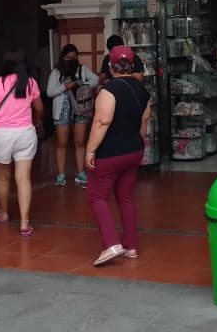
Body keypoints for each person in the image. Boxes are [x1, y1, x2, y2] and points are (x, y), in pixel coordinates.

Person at [84, 45, 151, 266]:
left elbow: (101, 122)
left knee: (96, 196)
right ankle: (131, 245)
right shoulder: (142, 90)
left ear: (111, 66)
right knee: (126, 197)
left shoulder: (109, 91)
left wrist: (90, 150)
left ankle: (111, 243)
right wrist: (136, 139)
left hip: (111, 152)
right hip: (134, 149)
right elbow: (144, 121)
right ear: (131, 65)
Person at [0, 61, 43, 234]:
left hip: (2, 134)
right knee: (23, 178)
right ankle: (25, 223)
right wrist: (36, 119)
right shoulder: (31, 82)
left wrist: (1, 120)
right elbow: (39, 108)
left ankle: (3, 213)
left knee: (3, 178)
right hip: (25, 133)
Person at [46, 44, 99, 187]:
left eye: (74, 58)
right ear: (63, 57)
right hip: (62, 110)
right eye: (69, 58)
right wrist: (65, 87)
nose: (72, 60)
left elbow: (95, 80)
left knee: (80, 142)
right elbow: (50, 92)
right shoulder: (56, 72)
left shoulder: (83, 69)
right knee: (61, 143)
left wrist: (82, 83)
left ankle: (80, 173)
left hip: (80, 109)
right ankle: (61, 174)